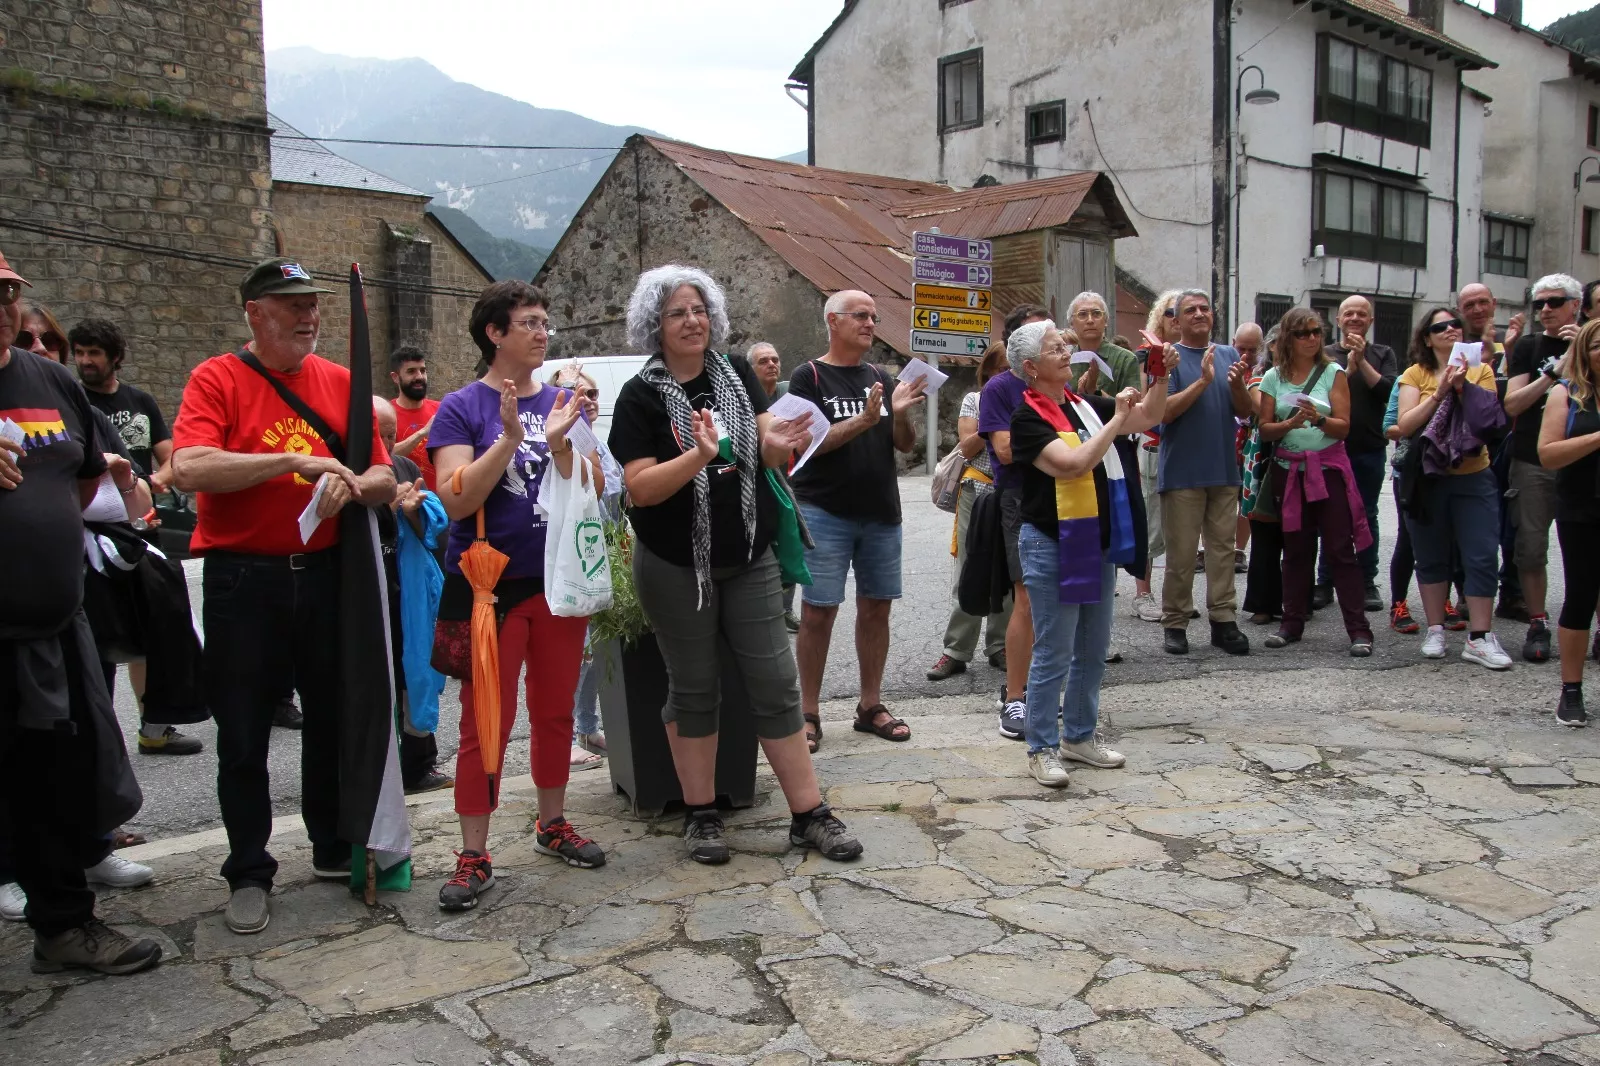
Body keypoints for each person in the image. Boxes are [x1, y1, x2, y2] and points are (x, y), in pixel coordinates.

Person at [170, 257, 397, 935]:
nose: (309, 317)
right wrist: (293, 462)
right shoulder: (217, 378)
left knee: (330, 715)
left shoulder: (340, 382)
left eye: (313, 305)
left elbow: (386, 474)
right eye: (292, 305)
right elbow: (189, 466)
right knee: (242, 730)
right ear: (255, 314)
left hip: (325, 574)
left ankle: (330, 845)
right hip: (245, 578)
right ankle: (248, 869)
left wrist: (353, 486)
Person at [608, 265, 862, 863]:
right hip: (673, 563)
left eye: (699, 309)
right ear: (656, 325)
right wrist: (699, 457)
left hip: (749, 553)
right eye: (677, 313)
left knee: (776, 686)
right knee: (694, 688)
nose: (692, 321)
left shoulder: (736, 372)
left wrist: (781, 443)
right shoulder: (641, 394)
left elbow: (768, 434)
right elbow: (640, 489)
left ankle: (809, 814)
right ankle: (701, 817)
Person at [0, 248, 162, 973]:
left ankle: (63, 926)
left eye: (9, 293)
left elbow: (88, 481)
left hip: (53, 626)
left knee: (58, 783)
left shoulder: (51, 381)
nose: (5, 308)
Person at [428, 281, 602, 909]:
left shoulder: (565, 402)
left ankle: (551, 822)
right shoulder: (461, 408)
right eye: (527, 322)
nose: (542, 332)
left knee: (555, 712)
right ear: (494, 334)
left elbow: (593, 482)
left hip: (556, 583)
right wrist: (505, 439)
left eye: (544, 321)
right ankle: (473, 853)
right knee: (486, 723)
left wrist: (562, 439)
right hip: (490, 587)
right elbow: (456, 499)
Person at [1006, 320, 1166, 787]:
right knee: (1054, 650)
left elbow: (1150, 416)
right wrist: (1117, 419)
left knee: (1093, 650)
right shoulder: (1027, 418)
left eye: (1065, 346)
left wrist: (1159, 375)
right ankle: (1040, 747)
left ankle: (1079, 736)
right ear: (1032, 368)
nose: (1067, 352)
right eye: (1057, 348)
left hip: (1093, 539)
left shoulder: (1082, 406)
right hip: (1051, 543)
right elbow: (1071, 464)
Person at [789, 289, 923, 750]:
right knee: (818, 611)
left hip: (881, 510)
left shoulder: (880, 376)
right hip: (824, 510)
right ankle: (808, 711)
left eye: (873, 316)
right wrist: (866, 420)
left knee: (876, 607)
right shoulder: (807, 377)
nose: (870, 323)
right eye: (860, 316)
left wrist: (900, 415)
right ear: (833, 321)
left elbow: (904, 445)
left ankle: (870, 705)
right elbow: (807, 443)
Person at [69, 317, 207, 756]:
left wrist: (154, 482)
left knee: (147, 632)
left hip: (140, 529)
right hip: (95, 539)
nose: (85, 361)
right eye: (80, 352)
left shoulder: (139, 401)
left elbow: (170, 456)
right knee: (100, 638)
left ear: (115, 358)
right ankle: (100, 736)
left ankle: (153, 727)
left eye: (94, 353)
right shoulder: (74, 402)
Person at [1393, 307, 1512, 668]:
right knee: (1429, 554)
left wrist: (1462, 388)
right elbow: (1405, 425)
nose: (1449, 330)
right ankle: (1435, 629)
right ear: (1427, 338)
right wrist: (1439, 391)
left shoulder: (1483, 371)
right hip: (1428, 479)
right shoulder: (1414, 374)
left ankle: (1479, 637)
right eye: (1439, 326)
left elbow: (1488, 422)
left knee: (1480, 554)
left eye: (1455, 325)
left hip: (1474, 476)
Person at [1256, 309, 1374, 655]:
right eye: (1303, 333)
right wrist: (1290, 425)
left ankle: (1359, 630)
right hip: (1288, 470)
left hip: (1328, 469)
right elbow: (1263, 429)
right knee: (1294, 549)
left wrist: (1318, 419)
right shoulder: (1272, 379)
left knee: (1340, 548)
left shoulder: (1333, 372)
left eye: (1316, 332)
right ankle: (1291, 624)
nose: (1311, 338)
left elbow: (1344, 427)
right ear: (1288, 338)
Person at [1158, 289, 1253, 656]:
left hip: (1223, 471)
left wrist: (1236, 384)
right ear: (1176, 321)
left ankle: (1224, 621)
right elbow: (1164, 413)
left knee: (1222, 552)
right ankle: (1176, 623)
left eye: (1204, 308)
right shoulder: (1168, 358)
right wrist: (1201, 381)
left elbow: (1245, 411)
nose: (1199, 314)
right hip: (1182, 473)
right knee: (1181, 556)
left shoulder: (1228, 354)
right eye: (1190, 310)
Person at [372, 398, 452, 794]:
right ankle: (380, 771)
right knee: (379, 683)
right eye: (379, 436)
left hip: (408, 594)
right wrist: (388, 503)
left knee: (415, 676)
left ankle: (419, 765)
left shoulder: (404, 468)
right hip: (372, 595)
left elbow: (430, 534)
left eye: (391, 436)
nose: (387, 445)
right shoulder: (353, 469)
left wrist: (414, 510)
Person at [979, 303, 1051, 739]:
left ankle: (1043, 692)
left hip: (1061, 496)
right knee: (1026, 598)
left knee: (1057, 601)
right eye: (1043, 338)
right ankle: (1015, 697)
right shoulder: (1000, 388)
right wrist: (1058, 450)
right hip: (1021, 498)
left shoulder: (1062, 388)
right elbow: (1004, 450)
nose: (1055, 345)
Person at [1502, 274, 1582, 664]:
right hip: (1532, 460)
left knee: (1588, 549)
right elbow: (1513, 404)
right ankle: (1538, 621)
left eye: (1555, 301)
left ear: (1576, 305)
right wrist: (1554, 371)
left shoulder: (1592, 342)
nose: (1546, 309)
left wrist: (1580, 351)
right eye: (1539, 303)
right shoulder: (1530, 347)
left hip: (1583, 462)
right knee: (1531, 548)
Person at [550, 362, 622, 771]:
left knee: (599, 647)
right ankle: (567, 735)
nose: (588, 400)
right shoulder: (567, 441)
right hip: (579, 554)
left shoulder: (598, 441)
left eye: (592, 394)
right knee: (580, 649)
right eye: (578, 393)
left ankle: (588, 725)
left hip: (608, 549)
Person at [927, 342, 1012, 683]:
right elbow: (967, 445)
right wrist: (996, 418)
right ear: (988, 371)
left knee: (1009, 572)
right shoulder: (974, 400)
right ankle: (956, 650)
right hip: (976, 490)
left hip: (1012, 492)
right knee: (969, 567)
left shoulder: (1028, 399)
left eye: (1013, 369)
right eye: (1002, 369)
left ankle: (1001, 645)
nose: (1007, 375)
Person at [1313, 296, 1396, 614]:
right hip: (1331, 448)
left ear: (1370, 321)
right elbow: (1320, 399)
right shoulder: (1325, 354)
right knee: (1328, 517)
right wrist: (1347, 368)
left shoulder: (1383, 353)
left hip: (1369, 449)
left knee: (1367, 515)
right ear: (1338, 320)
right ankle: (1325, 581)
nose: (1355, 318)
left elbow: (1389, 391)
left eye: (1362, 314)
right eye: (1349, 313)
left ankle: (1366, 581)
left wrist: (1362, 362)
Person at [1536, 317, 1600, 727]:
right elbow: (1548, 454)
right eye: (1598, 345)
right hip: (1583, 510)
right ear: (1584, 352)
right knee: (1580, 596)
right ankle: (1571, 690)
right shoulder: (1567, 394)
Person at [1460, 282, 1523, 622]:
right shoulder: (1455, 346)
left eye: (1483, 302)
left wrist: (1507, 351)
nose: (1477, 309)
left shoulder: (1512, 346)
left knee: (1514, 524)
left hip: (1510, 445)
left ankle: (1512, 594)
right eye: (1469, 304)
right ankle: (1468, 594)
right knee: (1473, 528)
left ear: (1494, 304)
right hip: (1469, 448)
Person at [1130, 291, 1182, 622]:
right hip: (1153, 444)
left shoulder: (1201, 353)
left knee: (1181, 525)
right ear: (1160, 317)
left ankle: (1176, 595)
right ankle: (1142, 594)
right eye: (1171, 312)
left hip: (1186, 446)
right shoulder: (1146, 354)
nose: (1178, 318)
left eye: (1185, 311)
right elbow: (1147, 405)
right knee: (1149, 523)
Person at [746, 342, 798, 630]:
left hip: (790, 482)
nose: (772, 365)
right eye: (764, 361)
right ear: (751, 369)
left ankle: (785, 609)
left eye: (775, 360)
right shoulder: (745, 400)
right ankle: (763, 612)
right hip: (759, 483)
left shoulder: (788, 393)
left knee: (791, 545)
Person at [1232, 322, 1266, 574]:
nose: (1245, 354)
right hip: (1225, 440)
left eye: (1251, 350)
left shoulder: (1265, 372)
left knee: (1247, 496)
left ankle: (1239, 550)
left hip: (1252, 442)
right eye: (1240, 347)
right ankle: (1205, 549)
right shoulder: (1224, 365)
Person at [389, 344, 440, 491]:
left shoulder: (441, 409)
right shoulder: (386, 414)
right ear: (395, 377)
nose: (419, 377)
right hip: (406, 505)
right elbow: (383, 456)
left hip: (443, 506)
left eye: (423, 371)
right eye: (411, 371)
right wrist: (423, 433)